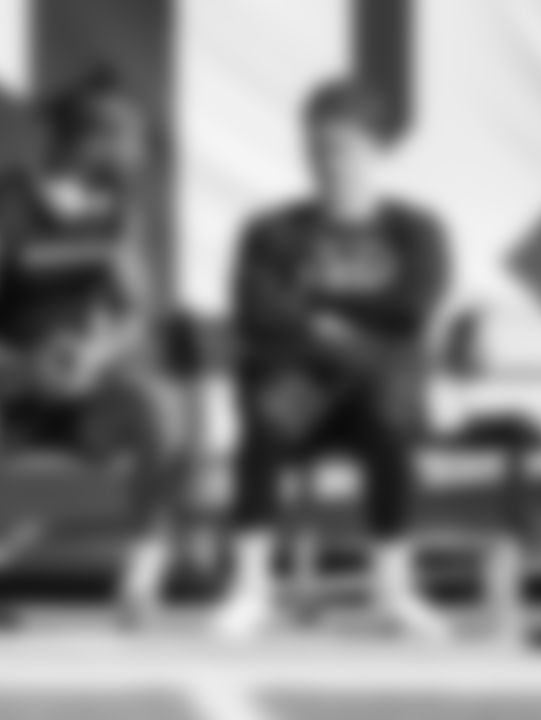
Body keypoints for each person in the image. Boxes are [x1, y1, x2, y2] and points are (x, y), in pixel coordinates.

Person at [0, 70, 188, 633]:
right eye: (132, 140)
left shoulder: (116, 209)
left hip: (80, 394)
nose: (142, 154)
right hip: (2, 391)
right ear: (91, 141)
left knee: (163, 407)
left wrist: (97, 354)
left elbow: (138, 312)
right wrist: (16, 368)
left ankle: (140, 588)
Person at [214, 79, 453, 640]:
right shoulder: (272, 231)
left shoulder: (415, 230)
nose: (326, 162)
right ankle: (249, 589)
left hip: (379, 391)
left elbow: (412, 309)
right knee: (267, 421)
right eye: (315, 148)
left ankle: (393, 591)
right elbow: (256, 312)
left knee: (387, 416)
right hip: (305, 387)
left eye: (340, 147)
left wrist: (319, 309)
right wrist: (346, 326)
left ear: (375, 149)